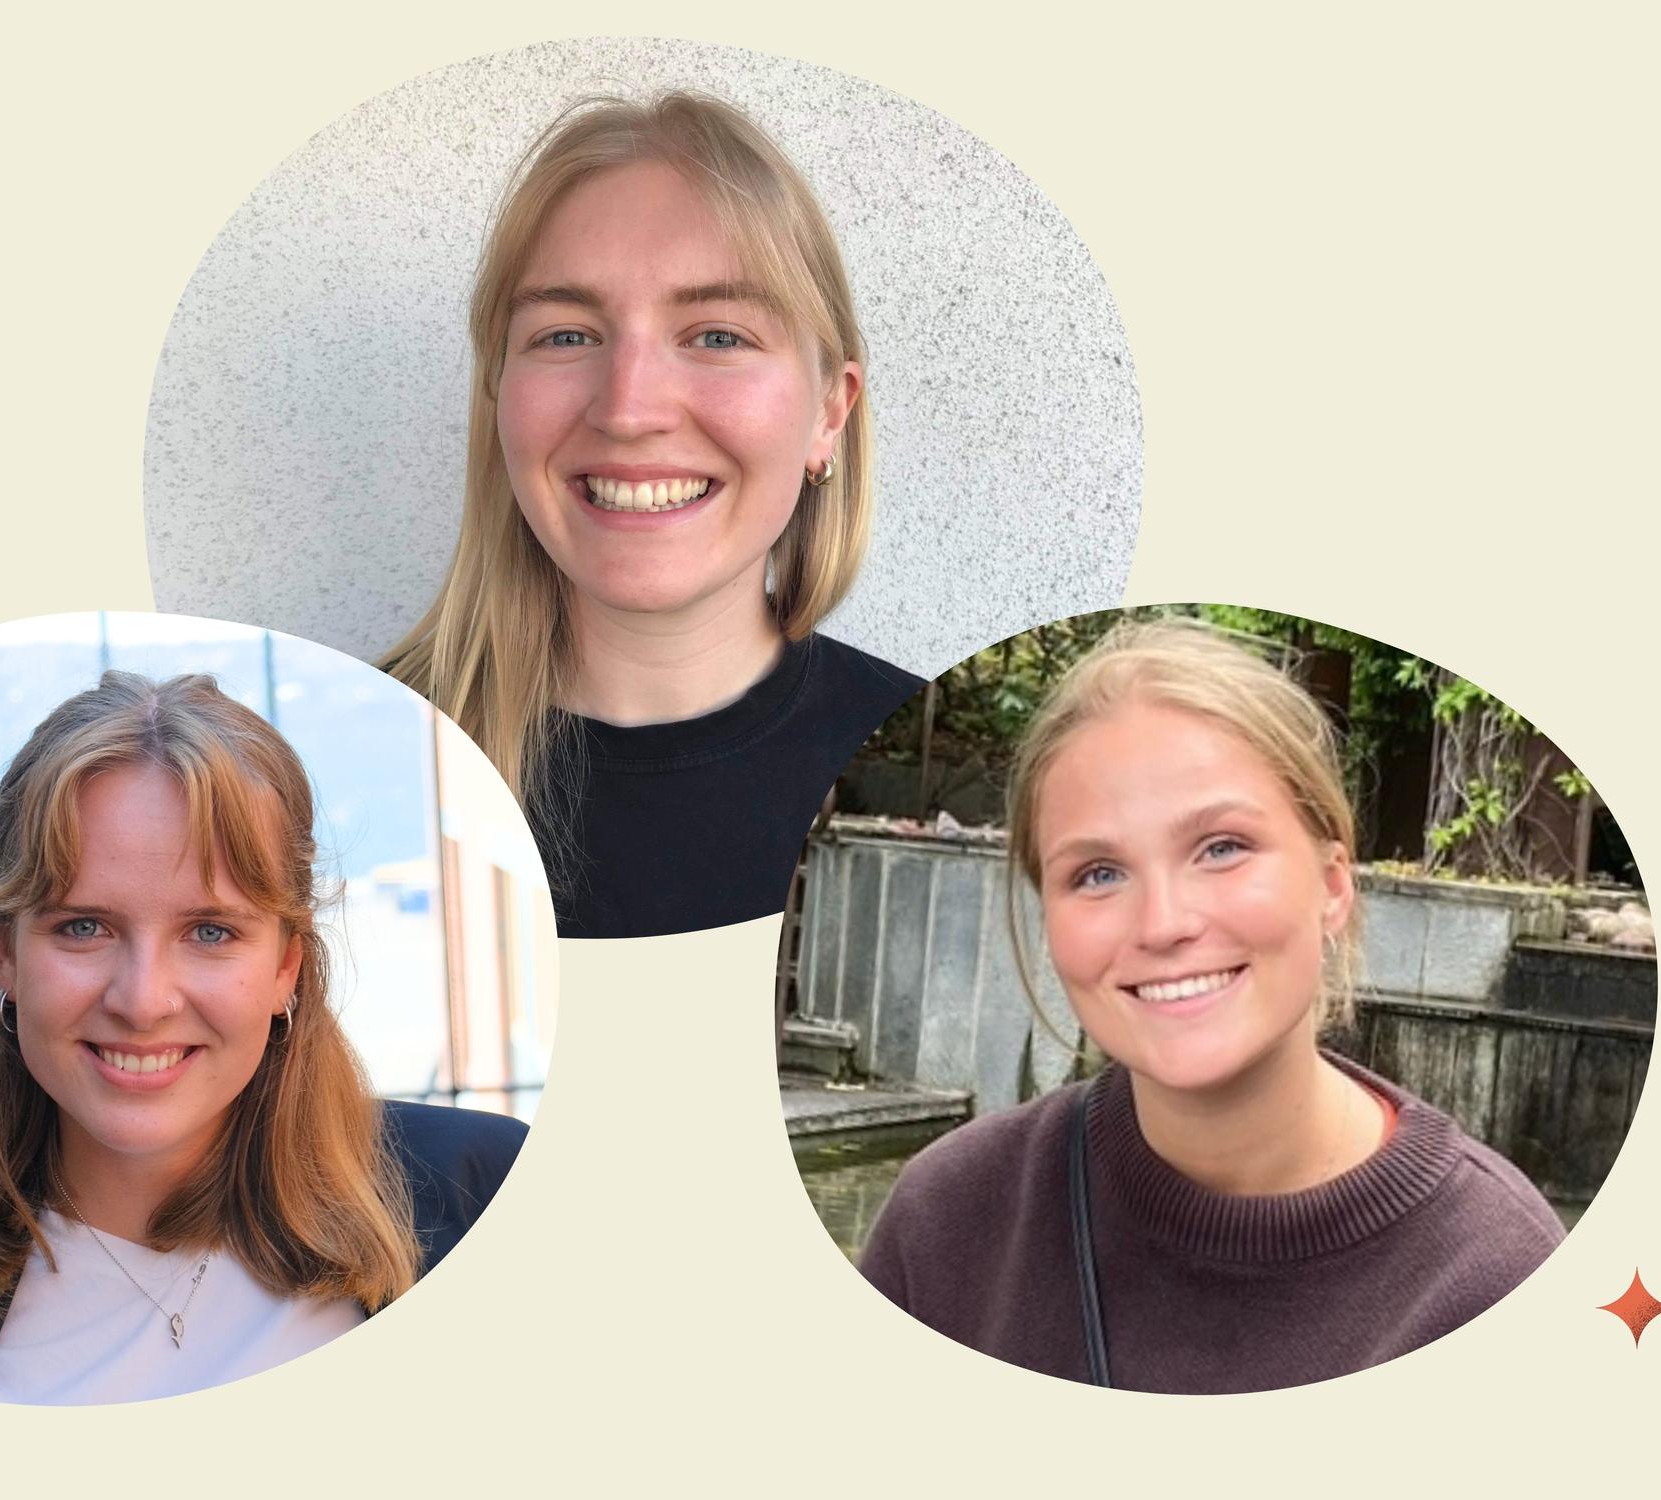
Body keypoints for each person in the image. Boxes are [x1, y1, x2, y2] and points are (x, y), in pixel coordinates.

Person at [859, 621, 1564, 1393]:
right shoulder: (949, 1225)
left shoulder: (1496, 1277)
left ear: (1332, 884)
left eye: (1222, 847)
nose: (1164, 923)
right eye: (1097, 873)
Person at [0, 672, 525, 1402]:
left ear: (286, 967)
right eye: (84, 927)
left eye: (210, 931)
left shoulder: (486, 1194)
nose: (143, 1001)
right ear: (4, 955)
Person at [382, 90, 922, 939]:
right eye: (565, 335)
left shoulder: (910, 780)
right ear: (499, 395)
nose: (629, 410)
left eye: (717, 336)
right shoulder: (330, 765)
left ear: (828, 412)